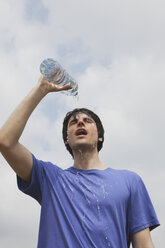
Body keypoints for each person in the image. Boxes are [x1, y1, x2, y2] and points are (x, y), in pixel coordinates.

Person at [0, 76, 160, 248]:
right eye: (73, 122)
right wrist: (41, 89)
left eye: (87, 121)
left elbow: (144, 245)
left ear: (100, 137)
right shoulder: (50, 178)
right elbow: (5, 141)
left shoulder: (130, 181)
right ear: (66, 140)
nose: (80, 122)